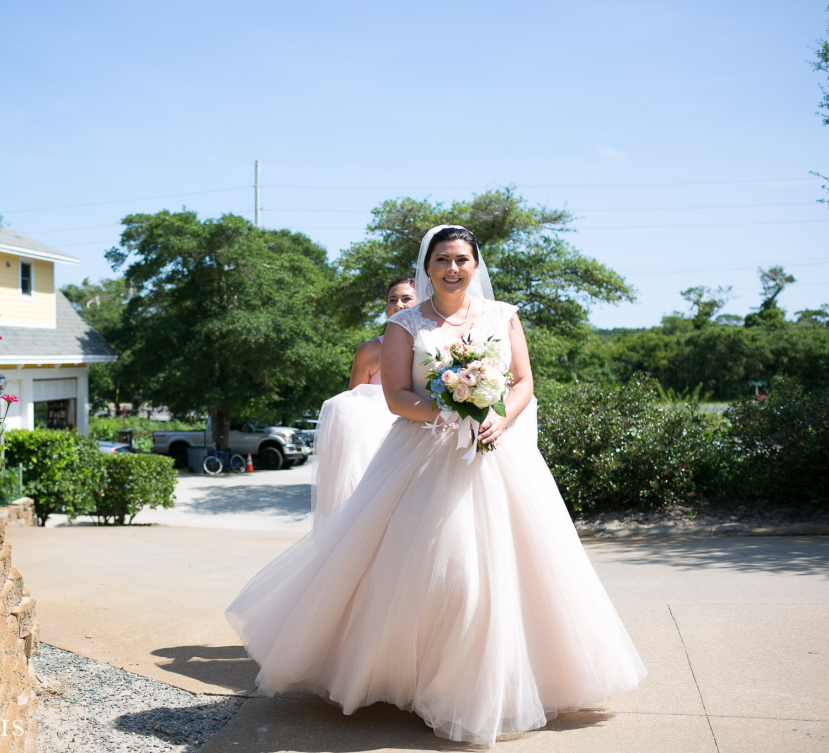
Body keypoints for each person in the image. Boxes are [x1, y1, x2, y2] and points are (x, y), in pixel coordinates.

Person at [227, 225, 645, 746]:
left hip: (495, 456)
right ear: (427, 267)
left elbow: (522, 382)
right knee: (443, 574)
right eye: (442, 259)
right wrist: (447, 409)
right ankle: (416, 682)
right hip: (422, 457)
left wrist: (497, 417)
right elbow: (397, 397)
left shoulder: (503, 316)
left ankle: (481, 689)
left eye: (462, 259)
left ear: (475, 265)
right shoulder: (405, 325)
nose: (452, 268)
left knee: (505, 573)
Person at [311, 277, 416, 525]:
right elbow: (352, 405)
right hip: (374, 448)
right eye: (392, 300)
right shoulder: (370, 350)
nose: (398, 304)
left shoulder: (436, 348)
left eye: (406, 298)